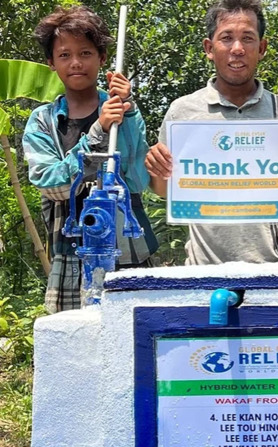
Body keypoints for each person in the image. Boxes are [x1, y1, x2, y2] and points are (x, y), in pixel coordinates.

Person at [23, 6, 158, 313]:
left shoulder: (124, 111)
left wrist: (127, 110)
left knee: (136, 337)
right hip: (71, 260)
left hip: (129, 256)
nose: (76, 62)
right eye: (64, 55)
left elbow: (137, 181)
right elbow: (52, 185)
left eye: (85, 53)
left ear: (102, 58)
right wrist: (98, 131)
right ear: (51, 63)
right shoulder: (42, 121)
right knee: (74, 340)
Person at [144, 0, 278, 265]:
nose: (237, 49)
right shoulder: (183, 112)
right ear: (209, 48)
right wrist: (156, 167)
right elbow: (164, 190)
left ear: (261, 48)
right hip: (203, 270)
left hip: (273, 267)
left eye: (247, 38)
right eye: (226, 38)